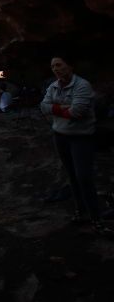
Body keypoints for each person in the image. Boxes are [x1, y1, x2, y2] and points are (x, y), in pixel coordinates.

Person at [40, 56, 111, 235]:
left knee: (84, 177)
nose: (56, 69)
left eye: (59, 65)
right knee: (71, 176)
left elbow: (77, 112)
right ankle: (81, 211)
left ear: (70, 66)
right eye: (53, 66)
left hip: (81, 138)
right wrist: (63, 108)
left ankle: (97, 218)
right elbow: (43, 106)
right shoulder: (53, 86)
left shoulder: (82, 85)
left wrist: (56, 108)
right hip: (60, 136)